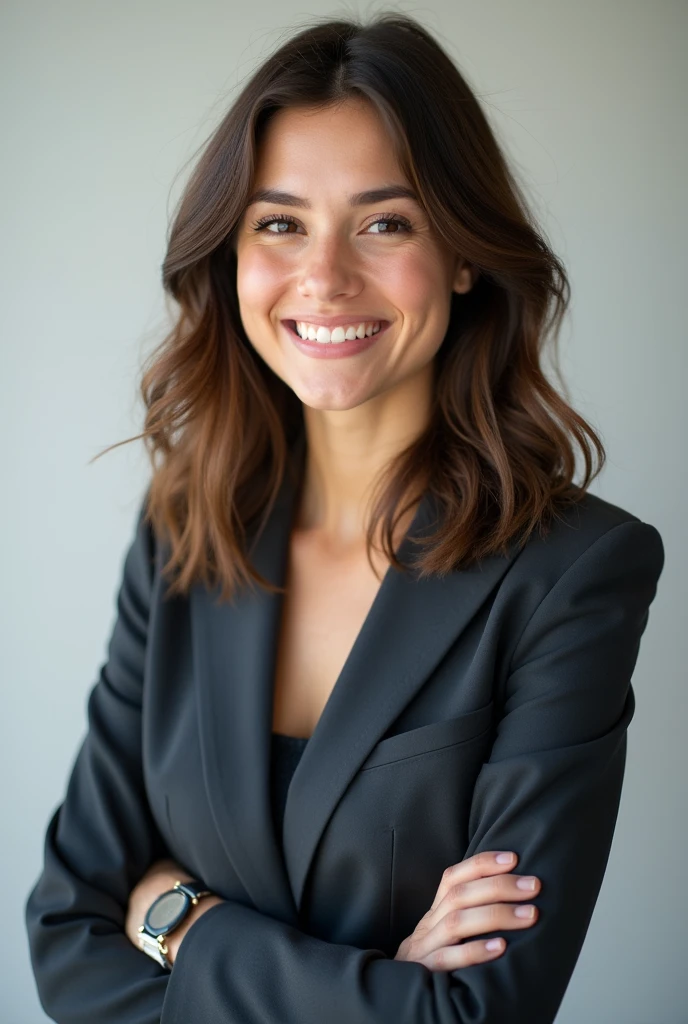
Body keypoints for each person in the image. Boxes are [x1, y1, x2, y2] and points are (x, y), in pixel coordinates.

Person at [25, 12, 665, 1024]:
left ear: (462, 253)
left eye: (385, 222)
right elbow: (67, 930)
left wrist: (179, 920)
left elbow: (480, 1014)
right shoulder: (183, 529)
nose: (323, 278)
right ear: (231, 253)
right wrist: (382, 985)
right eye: (279, 222)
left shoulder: (576, 572)